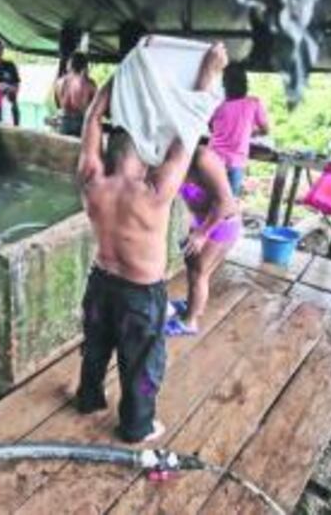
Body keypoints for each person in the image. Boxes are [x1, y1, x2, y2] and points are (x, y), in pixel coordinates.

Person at [75, 43, 227, 443]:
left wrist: (123, 77)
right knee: (142, 363)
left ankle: (88, 398)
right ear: (144, 156)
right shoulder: (155, 190)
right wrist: (208, 74)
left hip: (99, 282)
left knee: (95, 345)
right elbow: (189, 131)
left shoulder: (91, 180)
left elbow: (92, 116)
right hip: (140, 295)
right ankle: (136, 426)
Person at [166, 145, 241, 336]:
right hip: (203, 221)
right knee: (193, 267)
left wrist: (202, 233)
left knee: (198, 274)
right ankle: (193, 306)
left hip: (220, 224)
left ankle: (189, 322)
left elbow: (226, 202)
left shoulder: (203, 158)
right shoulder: (171, 154)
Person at [208, 63, 269, 196]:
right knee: (229, 201)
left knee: (209, 198)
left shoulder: (218, 105)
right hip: (235, 161)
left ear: (225, 84)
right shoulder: (253, 103)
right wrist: (248, 132)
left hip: (214, 157)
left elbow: (211, 127)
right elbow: (265, 130)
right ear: (245, 83)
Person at [53, 51, 97, 136]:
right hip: (81, 122)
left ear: (69, 65)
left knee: (63, 144)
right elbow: (95, 106)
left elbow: (57, 104)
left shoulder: (59, 83)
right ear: (84, 66)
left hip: (63, 121)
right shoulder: (89, 84)